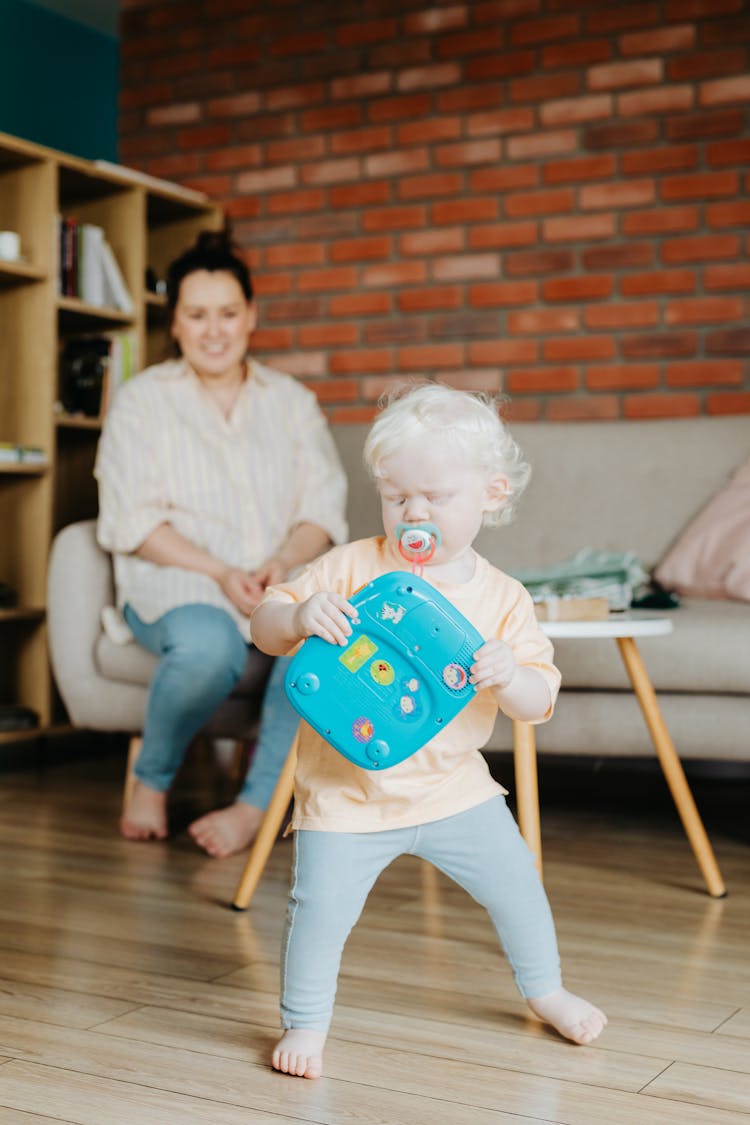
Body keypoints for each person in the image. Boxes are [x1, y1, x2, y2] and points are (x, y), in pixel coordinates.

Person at [251, 382, 607, 1079]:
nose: (412, 513)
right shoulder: (351, 565)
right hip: (346, 795)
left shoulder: (502, 596)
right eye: (395, 495)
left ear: (492, 494)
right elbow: (264, 626)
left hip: (454, 791)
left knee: (518, 887)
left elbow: (537, 702)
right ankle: (305, 1022)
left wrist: (508, 675)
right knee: (318, 912)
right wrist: (298, 615)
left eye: (435, 497)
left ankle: (546, 989)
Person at [95, 229, 347, 857]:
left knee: (321, 644)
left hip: (276, 583)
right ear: (174, 323)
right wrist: (219, 571)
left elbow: (323, 509)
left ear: (251, 317)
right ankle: (151, 781)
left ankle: (254, 807)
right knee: (209, 644)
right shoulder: (141, 402)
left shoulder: (292, 402)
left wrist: (282, 562)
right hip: (176, 583)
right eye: (196, 315)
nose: (214, 330)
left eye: (228, 314)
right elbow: (130, 519)